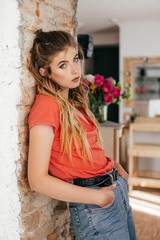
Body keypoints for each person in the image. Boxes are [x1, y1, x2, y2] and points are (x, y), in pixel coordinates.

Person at [27, 30, 136, 240]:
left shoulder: (73, 101)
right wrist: (96, 197)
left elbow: (81, 151)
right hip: (96, 203)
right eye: (62, 65)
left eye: (75, 58)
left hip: (113, 191)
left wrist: (111, 164)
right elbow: (37, 180)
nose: (75, 69)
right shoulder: (46, 105)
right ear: (45, 72)